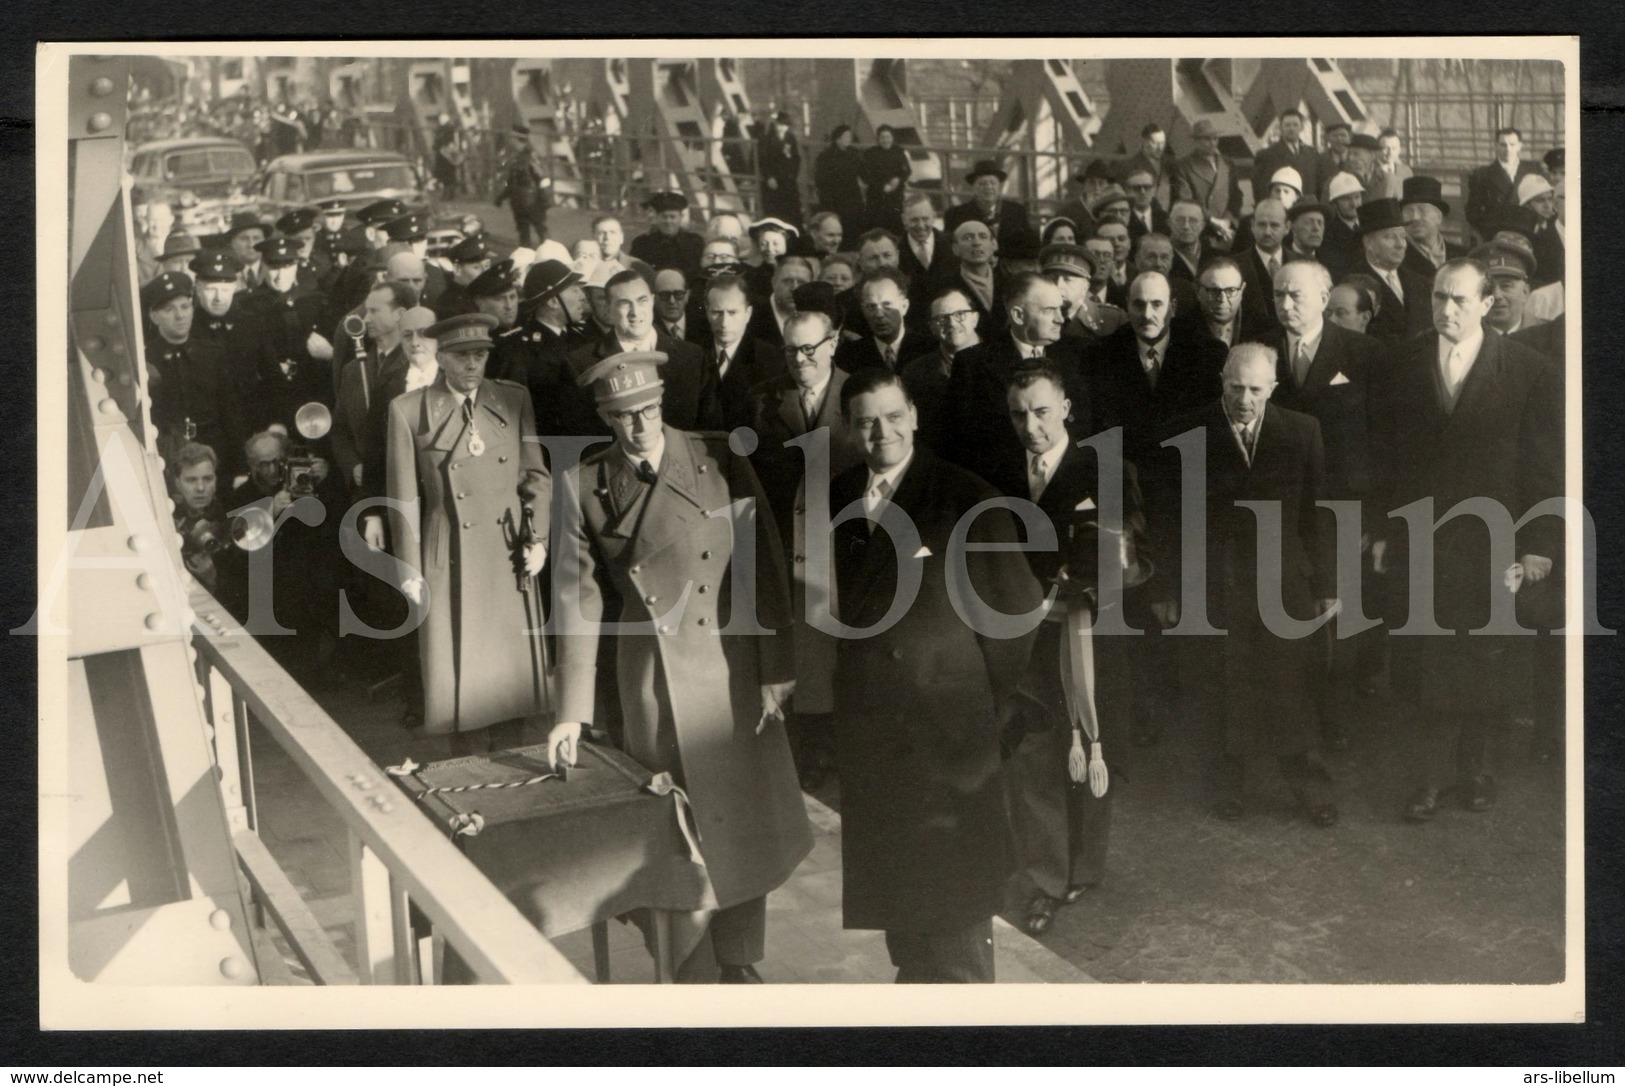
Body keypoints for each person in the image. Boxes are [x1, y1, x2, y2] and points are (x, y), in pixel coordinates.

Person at [546, 350, 813, 984]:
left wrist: (776, 664)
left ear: (662, 402)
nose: (639, 427)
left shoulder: (720, 458)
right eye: (623, 417)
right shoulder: (581, 486)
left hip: (728, 665)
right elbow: (576, 600)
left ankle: (740, 959)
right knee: (674, 825)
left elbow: (763, 563)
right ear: (605, 418)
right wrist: (570, 713)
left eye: (648, 410)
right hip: (651, 677)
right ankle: (687, 961)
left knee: (742, 820)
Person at [828, 369, 1043, 983]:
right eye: (867, 420)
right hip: (876, 737)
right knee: (905, 911)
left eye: (894, 416)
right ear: (850, 428)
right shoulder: (837, 496)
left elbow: (1014, 618)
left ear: (915, 417)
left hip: (949, 739)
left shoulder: (966, 497)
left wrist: (972, 702)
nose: (882, 432)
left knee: (956, 916)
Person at [1372, 259, 1562, 823]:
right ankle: (1428, 780)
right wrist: (1381, 531)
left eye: (1459, 300)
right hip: (1420, 539)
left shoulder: (1530, 370)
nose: (1446, 310)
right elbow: (1383, 458)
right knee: (1421, 663)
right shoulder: (1401, 364)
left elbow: (1544, 469)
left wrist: (1537, 547)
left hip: (1492, 544)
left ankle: (1473, 770)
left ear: (1486, 304)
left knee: (1484, 662)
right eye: (1438, 298)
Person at [1000, 364, 1152, 936]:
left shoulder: (1109, 470)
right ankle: (1044, 877)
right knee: (1034, 750)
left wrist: (1092, 579)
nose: (1031, 426)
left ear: (1065, 406)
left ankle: (1083, 865)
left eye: (1041, 411)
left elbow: (1140, 552)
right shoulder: (1002, 473)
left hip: (1091, 635)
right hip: (1026, 637)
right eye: (1019, 414)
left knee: (1091, 743)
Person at [1168, 344, 1339, 825]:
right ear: (1222, 382)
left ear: (1273, 389)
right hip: (1216, 575)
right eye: (1236, 387)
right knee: (1225, 680)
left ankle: (1309, 786)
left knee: (1292, 681)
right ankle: (1227, 784)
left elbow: (1317, 511)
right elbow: (1170, 515)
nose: (1245, 399)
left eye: (1256, 390)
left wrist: (1326, 582)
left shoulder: (1302, 432)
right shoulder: (1189, 432)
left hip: (1283, 575)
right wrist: (1169, 589)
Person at [385, 313, 551, 753]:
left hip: (507, 550)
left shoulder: (513, 400)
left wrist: (539, 539)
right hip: (448, 555)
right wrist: (409, 567)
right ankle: (469, 775)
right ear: (441, 358)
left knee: (511, 685)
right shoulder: (408, 411)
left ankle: (517, 769)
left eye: (480, 355)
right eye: (461, 356)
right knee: (462, 689)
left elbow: (535, 476)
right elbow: (404, 497)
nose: (473, 365)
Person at [1085, 271, 1227, 747]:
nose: (1148, 314)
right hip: (1126, 495)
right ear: (1126, 306)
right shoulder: (1103, 356)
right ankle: (1142, 715)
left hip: (1185, 492)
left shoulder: (1206, 355)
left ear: (1172, 307)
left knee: (1188, 597)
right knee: (1136, 599)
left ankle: (1192, 711)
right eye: (1139, 304)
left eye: (1157, 304)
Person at [1268, 260, 1387, 744]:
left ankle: (1332, 719)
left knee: (1338, 616)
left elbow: (1384, 442)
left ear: (1324, 297)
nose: (1286, 305)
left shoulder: (1364, 354)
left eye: (1296, 295)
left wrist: (1376, 519)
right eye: (1278, 295)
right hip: (1277, 509)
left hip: (1342, 509)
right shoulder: (1259, 350)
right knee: (1283, 612)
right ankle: (1288, 719)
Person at [748, 310, 865, 787]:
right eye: (791, 350)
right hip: (790, 545)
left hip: (847, 543)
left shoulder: (860, 394)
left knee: (847, 650)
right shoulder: (764, 401)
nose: (800, 359)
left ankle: (847, 755)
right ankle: (809, 760)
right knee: (804, 651)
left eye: (810, 348)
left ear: (833, 343)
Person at [940, 272, 1085, 500]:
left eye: (1061, 308)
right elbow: (958, 445)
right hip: (1003, 495)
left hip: (1070, 488)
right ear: (1018, 315)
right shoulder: (973, 364)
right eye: (1049, 310)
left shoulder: (1080, 355)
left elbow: (1092, 428)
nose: (1061, 318)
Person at [230, 427, 344, 681]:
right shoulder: (243, 494)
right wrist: (270, 512)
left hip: (306, 577)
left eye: (277, 462)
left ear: (287, 459)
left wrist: (322, 481)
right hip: (265, 582)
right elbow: (239, 542)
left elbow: (331, 522)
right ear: (251, 465)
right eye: (262, 465)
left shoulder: (302, 482)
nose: (270, 470)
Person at [568, 268, 722, 435]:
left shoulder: (692, 357)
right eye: (624, 303)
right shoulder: (581, 363)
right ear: (608, 309)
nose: (635, 312)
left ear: (652, 301)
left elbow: (709, 429)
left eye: (642, 301)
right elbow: (580, 435)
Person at [142, 270, 247, 479]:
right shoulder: (146, 359)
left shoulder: (212, 355)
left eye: (184, 307)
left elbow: (231, 414)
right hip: (168, 456)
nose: (179, 315)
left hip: (215, 453)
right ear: (154, 316)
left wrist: (241, 468)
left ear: (192, 309)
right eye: (169, 309)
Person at [900, 285, 981, 453]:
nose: (951, 323)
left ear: (975, 318)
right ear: (932, 327)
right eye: (942, 318)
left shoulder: (1003, 361)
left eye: (960, 315)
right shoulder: (914, 373)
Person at [1347, 197, 1433, 345]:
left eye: (1403, 237)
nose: (1400, 245)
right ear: (1368, 242)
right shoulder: (1351, 285)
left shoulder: (1421, 282)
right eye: (1390, 237)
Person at [703, 272, 782, 430]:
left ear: (748, 314)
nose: (724, 323)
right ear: (706, 311)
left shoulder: (770, 358)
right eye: (716, 312)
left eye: (732, 313)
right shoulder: (694, 355)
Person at [835, 267, 933, 374]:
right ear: (863, 310)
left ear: (904, 306)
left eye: (887, 305)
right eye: (871, 307)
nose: (879, 314)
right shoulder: (849, 355)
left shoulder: (929, 349)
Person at [945, 158, 1036, 258]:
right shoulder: (955, 214)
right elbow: (950, 250)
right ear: (973, 187)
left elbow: (1029, 246)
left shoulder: (1017, 211)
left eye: (992, 183)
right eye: (982, 184)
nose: (988, 187)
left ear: (999, 186)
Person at [1466, 127, 1541, 242]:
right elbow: (1472, 213)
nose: (1508, 149)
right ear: (1496, 146)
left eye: (1512, 144)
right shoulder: (1482, 175)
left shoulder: (1534, 170)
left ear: (1520, 146)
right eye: (1503, 145)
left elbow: (1544, 203)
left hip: (1529, 234)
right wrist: (1490, 233)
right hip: (1498, 236)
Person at [1171, 119, 1243, 240]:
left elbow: (1236, 195)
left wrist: (1227, 220)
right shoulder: (1184, 166)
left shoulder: (1227, 163)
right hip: (1201, 230)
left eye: (1215, 138)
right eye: (1207, 139)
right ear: (1195, 141)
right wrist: (1213, 221)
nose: (1213, 143)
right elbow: (1186, 200)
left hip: (1227, 229)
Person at [1235, 198, 1290, 339]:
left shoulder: (1303, 264)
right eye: (1261, 225)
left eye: (1275, 225)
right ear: (1252, 226)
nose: (1267, 232)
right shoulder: (1235, 266)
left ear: (1287, 227)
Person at [1399, 176, 1466, 281]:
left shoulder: (1462, 256)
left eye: (1422, 210)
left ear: (1438, 217)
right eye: (1409, 211)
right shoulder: (1397, 258)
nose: (1415, 217)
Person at [493, 122, 548, 248]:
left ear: (517, 139)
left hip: (532, 201)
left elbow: (542, 178)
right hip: (519, 202)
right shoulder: (516, 157)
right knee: (523, 234)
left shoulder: (530, 157)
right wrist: (501, 197)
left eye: (511, 137)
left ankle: (549, 256)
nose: (510, 140)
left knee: (541, 231)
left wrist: (545, 200)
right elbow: (512, 182)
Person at [1252, 109, 1321, 207]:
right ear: (1281, 127)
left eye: (1295, 125)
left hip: (1306, 209)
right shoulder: (1266, 155)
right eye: (1287, 125)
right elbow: (1260, 189)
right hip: (1281, 208)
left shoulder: (1312, 153)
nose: (1291, 129)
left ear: (1301, 127)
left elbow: (1318, 186)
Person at [814, 124, 865, 242]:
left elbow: (864, 173)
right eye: (846, 136)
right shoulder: (825, 156)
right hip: (833, 197)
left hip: (851, 195)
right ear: (837, 139)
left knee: (853, 223)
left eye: (849, 136)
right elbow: (820, 179)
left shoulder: (853, 153)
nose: (849, 139)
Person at [1516, 173, 1565, 291]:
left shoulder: (1559, 226)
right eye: (1540, 201)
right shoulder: (1522, 234)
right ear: (1527, 205)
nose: (1548, 205)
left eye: (1549, 199)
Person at [859, 124, 911, 233]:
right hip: (876, 195)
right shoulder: (870, 154)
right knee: (877, 224)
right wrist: (882, 186)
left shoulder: (899, 152)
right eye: (882, 137)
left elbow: (907, 171)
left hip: (895, 195)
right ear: (878, 139)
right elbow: (864, 175)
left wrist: (898, 179)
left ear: (892, 138)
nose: (885, 140)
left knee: (895, 223)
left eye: (888, 137)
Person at [757, 110, 803, 226]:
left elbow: (796, 158)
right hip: (773, 181)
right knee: (775, 214)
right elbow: (762, 161)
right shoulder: (765, 139)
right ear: (774, 124)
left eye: (785, 125)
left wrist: (793, 174)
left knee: (792, 213)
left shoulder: (790, 138)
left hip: (788, 181)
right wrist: (768, 177)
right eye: (779, 125)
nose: (782, 128)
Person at [1122, 166, 1169, 244]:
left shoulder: (1164, 219)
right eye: (1137, 188)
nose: (1142, 192)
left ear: (1154, 191)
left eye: (1147, 187)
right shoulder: (1124, 219)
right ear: (1127, 191)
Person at [1166, 199, 1210, 282]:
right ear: (1169, 223)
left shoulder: (1215, 256)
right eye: (1180, 220)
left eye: (1193, 221)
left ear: (1202, 226)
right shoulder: (1161, 257)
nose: (1186, 226)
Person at [1367, 129, 1413, 201]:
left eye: (1394, 148)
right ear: (1377, 150)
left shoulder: (1406, 171)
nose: (1390, 153)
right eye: (1386, 148)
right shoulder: (1369, 170)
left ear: (1399, 150)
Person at [1315, 122, 1353, 201]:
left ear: (1349, 138)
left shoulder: (1355, 159)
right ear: (1328, 139)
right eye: (1334, 136)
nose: (1339, 139)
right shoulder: (1319, 160)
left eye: (1343, 135)